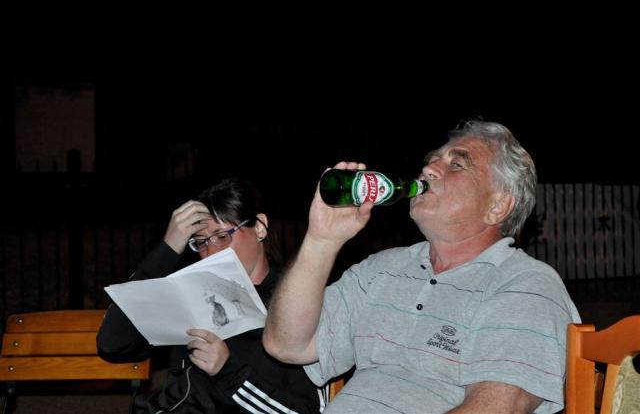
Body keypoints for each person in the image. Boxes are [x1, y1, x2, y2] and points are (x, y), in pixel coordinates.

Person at [263, 120, 581, 414]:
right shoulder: (381, 270)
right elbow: (286, 345)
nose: (428, 168)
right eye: (432, 159)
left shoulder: (525, 285)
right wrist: (321, 240)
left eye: (457, 164)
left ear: (497, 206)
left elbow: (496, 408)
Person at [98, 178, 324, 414]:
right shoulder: (189, 294)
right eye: (201, 243)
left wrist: (227, 371)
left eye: (223, 236)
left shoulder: (296, 305)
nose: (212, 252)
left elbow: (305, 409)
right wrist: (168, 249)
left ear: (259, 227)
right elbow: (113, 342)